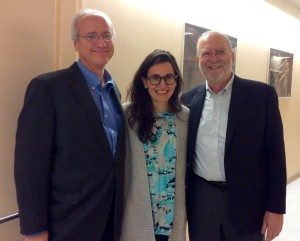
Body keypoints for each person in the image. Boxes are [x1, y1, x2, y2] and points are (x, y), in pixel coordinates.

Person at [14, 9, 126, 241]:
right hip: (68, 222)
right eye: (91, 36)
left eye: (107, 35)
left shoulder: (114, 90)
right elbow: (30, 165)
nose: (101, 42)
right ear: (75, 43)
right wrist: (35, 230)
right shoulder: (48, 88)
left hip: (111, 219)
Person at [181, 31, 287, 241]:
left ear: (232, 56)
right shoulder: (187, 100)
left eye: (220, 52)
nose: (213, 59)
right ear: (198, 60)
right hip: (202, 200)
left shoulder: (261, 96)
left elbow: (276, 156)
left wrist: (276, 208)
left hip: (249, 201)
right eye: (206, 53)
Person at [121, 49, 189, 241]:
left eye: (169, 77)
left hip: (171, 218)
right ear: (144, 81)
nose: (162, 84)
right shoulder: (127, 115)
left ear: (176, 80)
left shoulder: (185, 117)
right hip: (137, 216)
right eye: (155, 78)